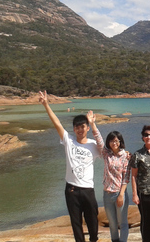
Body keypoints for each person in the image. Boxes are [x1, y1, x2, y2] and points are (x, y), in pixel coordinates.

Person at [38, 90, 102, 242]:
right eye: (77, 127)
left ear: (87, 128)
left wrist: (93, 124)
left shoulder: (94, 145)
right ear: (74, 129)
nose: (80, 129)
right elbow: (57, 123)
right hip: (72, 189)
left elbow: (107, 148)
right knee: (76, 223)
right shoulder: (69, 141)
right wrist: (46, 105)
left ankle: (94, 239)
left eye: (83, 126)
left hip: (88, 190)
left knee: (93, 220)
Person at [92, 126, 131, 242]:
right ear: (108, 142)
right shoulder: (106, 154)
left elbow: (126, 177)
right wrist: (93, 124)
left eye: (116, 141)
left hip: (120, 193)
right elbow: (99, 140)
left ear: (120, 142)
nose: (114, 143)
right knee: (113, 224)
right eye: (111, 141)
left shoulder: (125, 156)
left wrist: (121, 195)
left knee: (122, 223)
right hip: (107, 194)